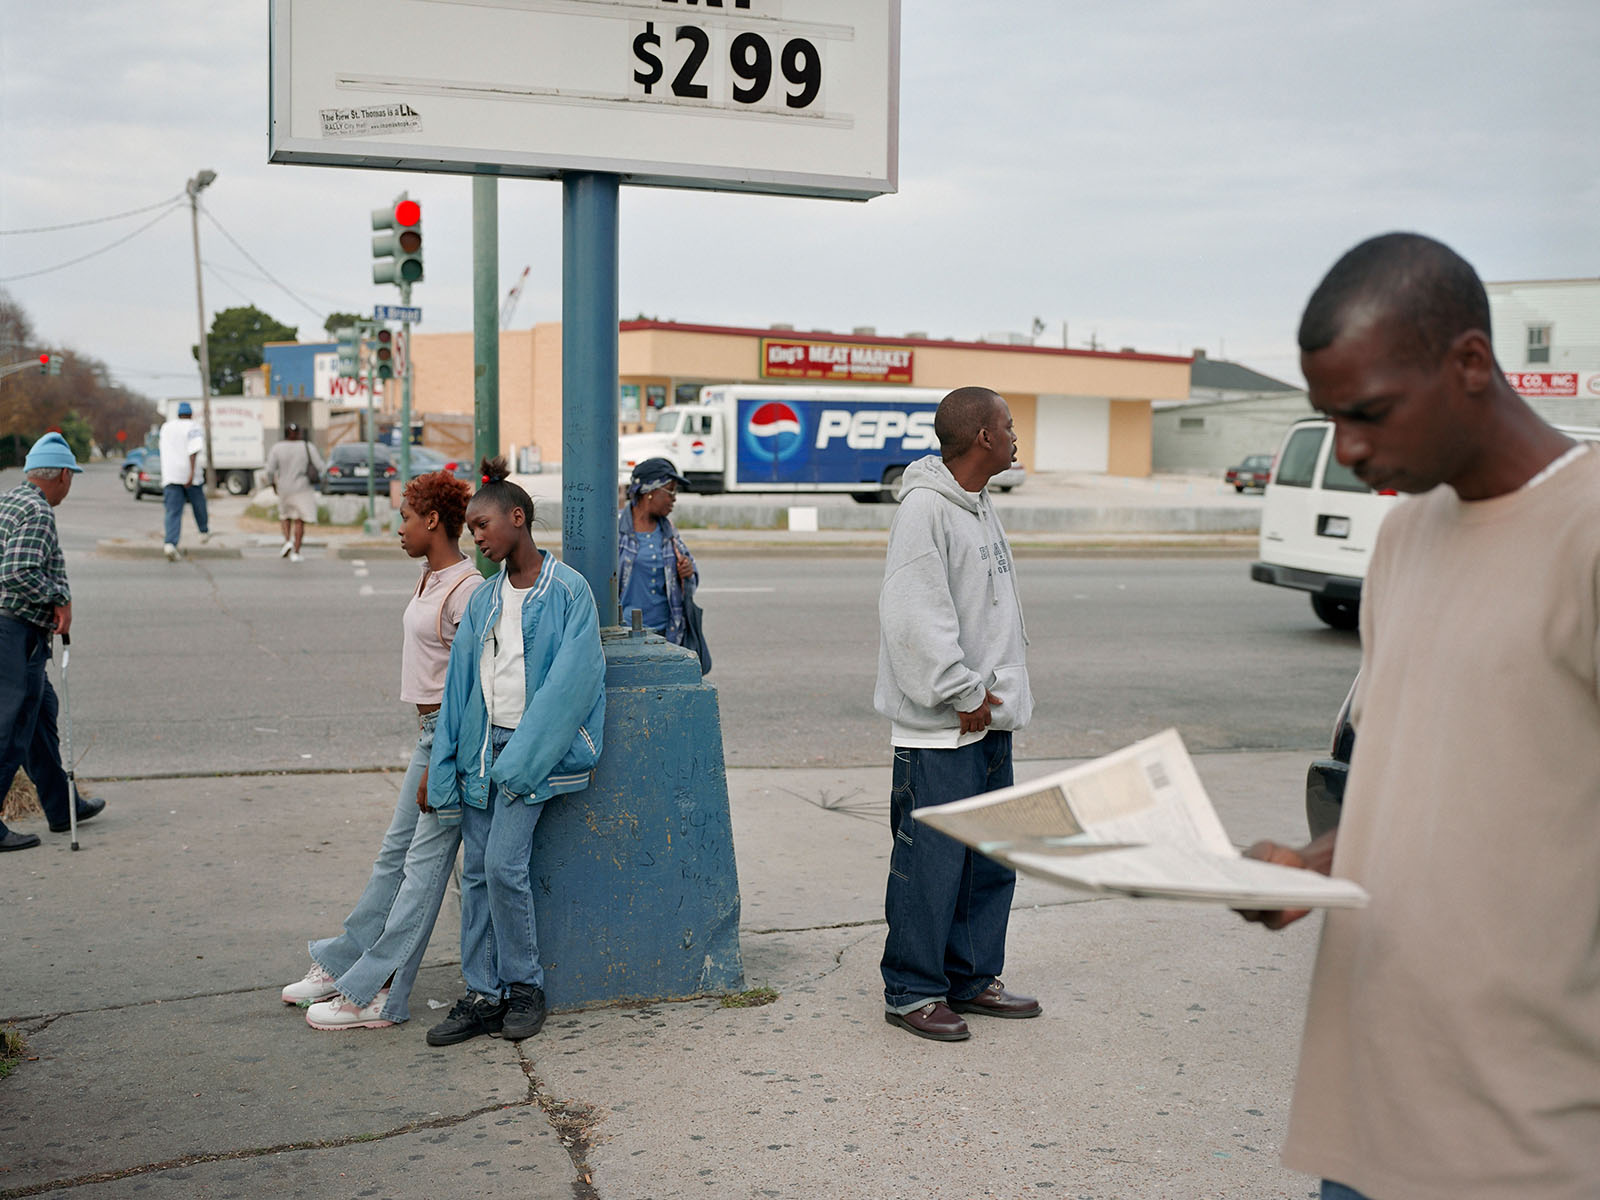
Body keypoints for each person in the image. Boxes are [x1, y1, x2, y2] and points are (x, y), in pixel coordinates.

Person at [1239, 233, 1600, 1200]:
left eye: (1369, 413)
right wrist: (1313, 870)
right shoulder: (1402, 539)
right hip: (1367, 1124)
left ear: (1471, 363)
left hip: (1529, 1146)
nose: (1348, 450)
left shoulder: (1587, 533)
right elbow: (1421, 787)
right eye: (1328, 418)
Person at [280, 471, 484, 1029]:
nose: (398, 528)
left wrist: (443, 760)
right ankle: (345, 963)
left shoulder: (465, 590)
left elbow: (474, 689)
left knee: (421, 873)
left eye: (404, 517)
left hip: (450, 739)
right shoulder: (430, 577)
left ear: (433, 521)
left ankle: (377, 995)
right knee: (393, 858)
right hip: (428, 738)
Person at [874, 387, 1039, 1041]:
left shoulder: (977, 503)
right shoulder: (925, 512)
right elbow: (913, 616)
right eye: (1007, 424)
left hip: (987, 722)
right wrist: (961, 692)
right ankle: (913, 990)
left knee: (987, 860)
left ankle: (969, 978)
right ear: (982, 439)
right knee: (931, 865)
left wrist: (991, 699)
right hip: (944, 729)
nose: (1014, 433)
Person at [425, 457, 606, 1047]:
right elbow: (459, 690)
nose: (475, 538)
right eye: (472, 530)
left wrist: (523, 761)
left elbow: (572, 687)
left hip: (532, 753)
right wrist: (442, 765)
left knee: (504, 867)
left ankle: (525, 988)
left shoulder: (569, 591)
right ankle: (483, 994)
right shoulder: (483, 599)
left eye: (482, 526)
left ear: (518, 518)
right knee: (474, 872)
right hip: (481, 749)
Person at [0, 433, 104, 852]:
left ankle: (62, 808)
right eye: (71, 476)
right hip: (14, 631)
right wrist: (58, 597)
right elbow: (17, 572)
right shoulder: (40, 512)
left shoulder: (9, 501)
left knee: (41, 718)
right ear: (62, 475)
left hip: (13, 630)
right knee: (12, 728)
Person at [617, 457, 696, 644]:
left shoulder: (668, 531)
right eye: (671, 490)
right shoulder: (616, 532)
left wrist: (688, 571)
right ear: (650, 491)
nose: (674, 498)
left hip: (667, 635)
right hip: (625, 636)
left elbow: (692, 578)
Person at [261, 423, 324, 564]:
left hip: (284, 487)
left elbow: (270, 470)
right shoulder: (307, 446)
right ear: (299, 433)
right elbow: (320, 466)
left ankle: (287, 540)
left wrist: (273, 484)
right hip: (302, 487)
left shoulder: (277, 448)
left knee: (285, 516)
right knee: (299, 520)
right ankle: (296, 550)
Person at [158, 401, 210, 561]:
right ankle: (203, 531)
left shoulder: (166, 427)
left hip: (171, 475)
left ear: (178, 414)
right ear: (190, 414)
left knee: (173, 511)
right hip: (189, 476)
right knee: (198, 504)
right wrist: (191, 474)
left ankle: (170, 543)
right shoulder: (194, 427)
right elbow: (193, 451)